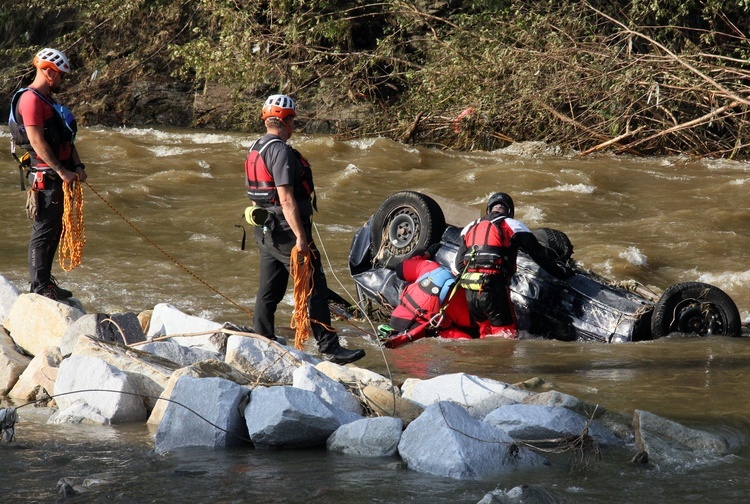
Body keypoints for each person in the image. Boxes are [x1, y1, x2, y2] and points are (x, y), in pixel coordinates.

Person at [244, 94, 365, 364]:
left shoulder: (255, 147)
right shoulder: (280, 150)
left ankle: (263, 337)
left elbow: (256, 196)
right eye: (293, 121)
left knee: (269, 290)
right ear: (285, 121)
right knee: (314, 288)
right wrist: (300, 237)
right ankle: (330, 348)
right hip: (288, 231)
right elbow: (286, 199)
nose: (294, 127)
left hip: (266, 231)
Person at [9, 48, 86, 300]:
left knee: (56, 230)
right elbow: (37, 141)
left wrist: (78, 167)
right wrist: (62, 171)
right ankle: (39, 286)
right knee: (44, 232)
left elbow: (68, 141)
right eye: (60, 75)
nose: (62, 80)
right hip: (47, 178)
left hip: (60, 176)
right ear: (49, 72)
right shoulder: (30, 100)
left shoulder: (49, 101)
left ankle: (46, 282)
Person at [454, 192, 571, 338]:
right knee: (506, 337)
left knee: (485, 334)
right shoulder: (512, 225)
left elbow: (459, 266)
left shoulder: (470, 227)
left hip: (471, 291)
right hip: (494, 289)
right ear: (510, 211)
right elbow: (539, 255)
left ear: (488, 209)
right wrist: (563, 273)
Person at [385, 252, 478, 347]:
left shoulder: (432, 267)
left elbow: (400, 268)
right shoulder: (467, 296)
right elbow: (478, 330)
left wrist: (426, 254)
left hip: (396, 319)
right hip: (420, 332)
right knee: (468, 339)